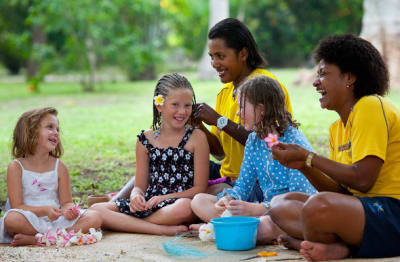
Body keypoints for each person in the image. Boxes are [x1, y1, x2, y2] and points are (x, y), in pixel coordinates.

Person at [261, 34, 400, 261]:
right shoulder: (337, 127)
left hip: (392, 210)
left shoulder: (370, 106)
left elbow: (364, 181)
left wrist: (309, 156)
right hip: (362, 209)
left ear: (350, 77)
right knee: (280, 204)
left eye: (324, 74)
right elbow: (343, 193)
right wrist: (304, 165)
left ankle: (341, 249)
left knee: (318, 207)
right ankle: (338, 246)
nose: (316, 82)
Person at [90, 73, 209, 235]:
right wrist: (135, 197)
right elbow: (139, 186)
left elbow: (199, 189)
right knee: (96, 209)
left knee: (185, 208)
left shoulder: (197, 138)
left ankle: (126, 223)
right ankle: (158, 229)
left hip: (176, 204)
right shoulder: (145, 139)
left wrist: (165, 198)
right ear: (159, 105)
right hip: (148, 204)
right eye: (175, 104)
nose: (182, 111)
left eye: (187, 105)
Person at [190, 76, 316, 228]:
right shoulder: (253, 140)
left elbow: (300, 199)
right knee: (199, 201)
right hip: (264, 211)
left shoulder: (294, 142)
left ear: (261, 109)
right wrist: (229, 199)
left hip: (291, 213)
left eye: (242, 107)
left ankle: (223, 227)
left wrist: (259, 209)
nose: (237, 113)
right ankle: (230, 227)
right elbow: (243, 185)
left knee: (264, 226)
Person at [193, 18, 293, 196]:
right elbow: (220, 153)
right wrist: (197, 125)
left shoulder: (265, 85)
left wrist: (219, 121)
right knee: (163, 164)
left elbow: (270, 143)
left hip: (258, 182)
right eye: (212, 57)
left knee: (196, 198)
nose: (215, 63)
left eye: (221, 56)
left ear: (243, 54)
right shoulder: (224, 92)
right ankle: (128, 204)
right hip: (228, 177)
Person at [0, 107, 101, 246]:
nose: (56, 133)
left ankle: (39, 239)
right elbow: (17, 206)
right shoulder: (16, 167)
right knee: (11, 219)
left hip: (57, 221)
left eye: (57, 129)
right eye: (50, 127)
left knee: (95, 216)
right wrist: (45, 210)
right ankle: (62, 236)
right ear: (30, 133)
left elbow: (66, 202)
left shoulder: (60, 167)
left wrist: (69, 210)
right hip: (30, 219)